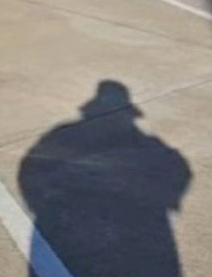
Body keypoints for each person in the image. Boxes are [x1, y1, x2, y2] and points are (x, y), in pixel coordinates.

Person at [19, 80, 191, 277]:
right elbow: (179, 168)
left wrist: (43, 204)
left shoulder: (62, 135)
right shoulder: (147, 144)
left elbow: (31, 168)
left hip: (77, 229)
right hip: (119, 234)